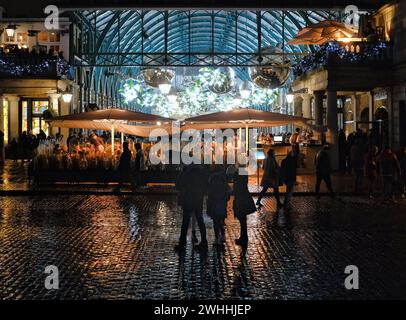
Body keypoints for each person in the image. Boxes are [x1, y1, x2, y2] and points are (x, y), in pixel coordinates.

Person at [175, 164, 208, 251]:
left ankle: (182, 243)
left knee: (185, 221)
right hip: (198, 198)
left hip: (188, 198)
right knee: (200, 220)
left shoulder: (185, 171)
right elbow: (205, 186)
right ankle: (204, 241)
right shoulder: (201, 171)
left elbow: (178, 184)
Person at [232, 167, 256, 246]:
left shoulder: (238, 180)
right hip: (244, 200)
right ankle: (243, 237)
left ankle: (243, 238)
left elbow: (236, 190)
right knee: (243, 221)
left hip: (241, 201)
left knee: (242, 221)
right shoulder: (243, 176)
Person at [207, 165, 229, 245]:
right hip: (221, 201)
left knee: (215, 221)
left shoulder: (212, 178)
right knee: (220, 220)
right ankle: (222, 235)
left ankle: (217, 237)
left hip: (214, 201)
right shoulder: (223, 177)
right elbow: (226, 189)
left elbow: (209, 190)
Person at [280, 144, 298, 210]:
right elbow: (293, 171)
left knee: (289, 191)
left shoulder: (284, 161)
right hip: (290, 178)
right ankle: (286, 204)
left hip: (286, 178)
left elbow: (282, 169)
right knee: (289, 192)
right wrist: (294, 179)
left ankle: (286, 204)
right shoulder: (292, 162)